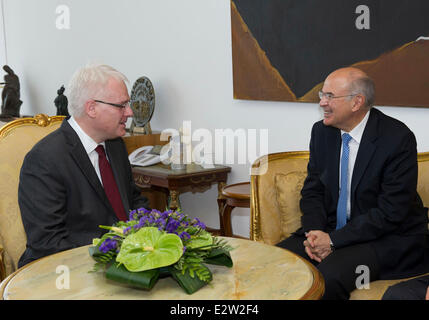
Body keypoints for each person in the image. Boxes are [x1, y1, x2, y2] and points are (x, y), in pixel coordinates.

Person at [277, 67, 429, 299]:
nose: (322, 103)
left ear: (357, 102)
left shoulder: (397, 138)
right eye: (322, 95)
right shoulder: (322, 132)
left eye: (330, 96)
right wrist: (315, 232)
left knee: (327, 277)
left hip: (387, 237)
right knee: (277, 263)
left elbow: (391, 212)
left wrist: (334, 240)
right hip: (330, 228)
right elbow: (313, 190)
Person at [18, 63, 150, 267]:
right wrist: (115, 252)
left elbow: (132, 200)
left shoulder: (115, 145)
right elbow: (48, 242)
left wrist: (154, 229)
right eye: (121, 105)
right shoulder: (44, 159)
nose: (130, 112)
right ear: (91, 108)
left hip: (127, 262)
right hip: (68, 272)